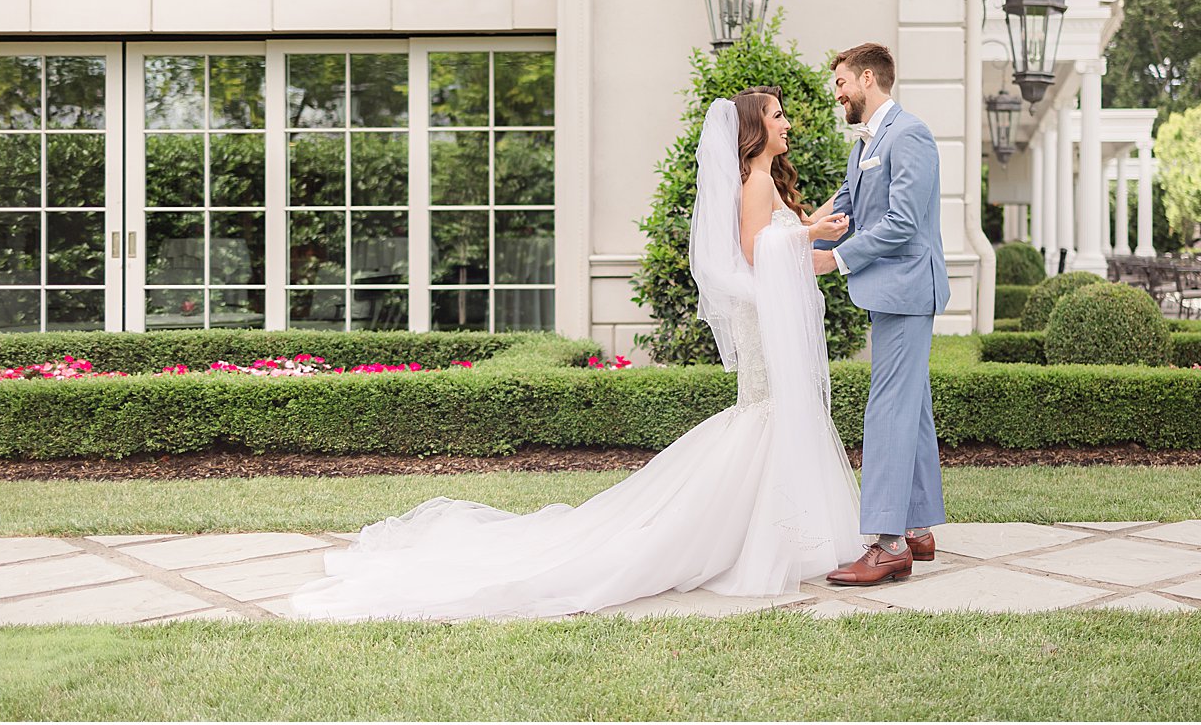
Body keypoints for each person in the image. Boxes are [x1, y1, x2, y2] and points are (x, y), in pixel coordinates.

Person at [289, 88, 860, 620]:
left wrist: (818, 225)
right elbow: (754, 250)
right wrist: (810, 236)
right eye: (778, 115)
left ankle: (763, 534)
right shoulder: (755, 184)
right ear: (754, 130)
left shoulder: (762, 181)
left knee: (768, 416)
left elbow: (772, 243)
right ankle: (742, 539)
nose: (787, 123)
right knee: (765, 414)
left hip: (762, 310)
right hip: (761, 317)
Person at [808, 43, 949, 585]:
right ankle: (916, 528)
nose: (837, 93)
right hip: (888, 291)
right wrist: (793, 231)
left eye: (842, 82)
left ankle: (886, 544)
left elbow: (903, 224)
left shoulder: (909, 134)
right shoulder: (865, 142)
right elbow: (845, 202)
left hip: (909, 291)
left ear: (868, 79)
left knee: (887, 410)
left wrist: (834, 258)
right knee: (910, 409)